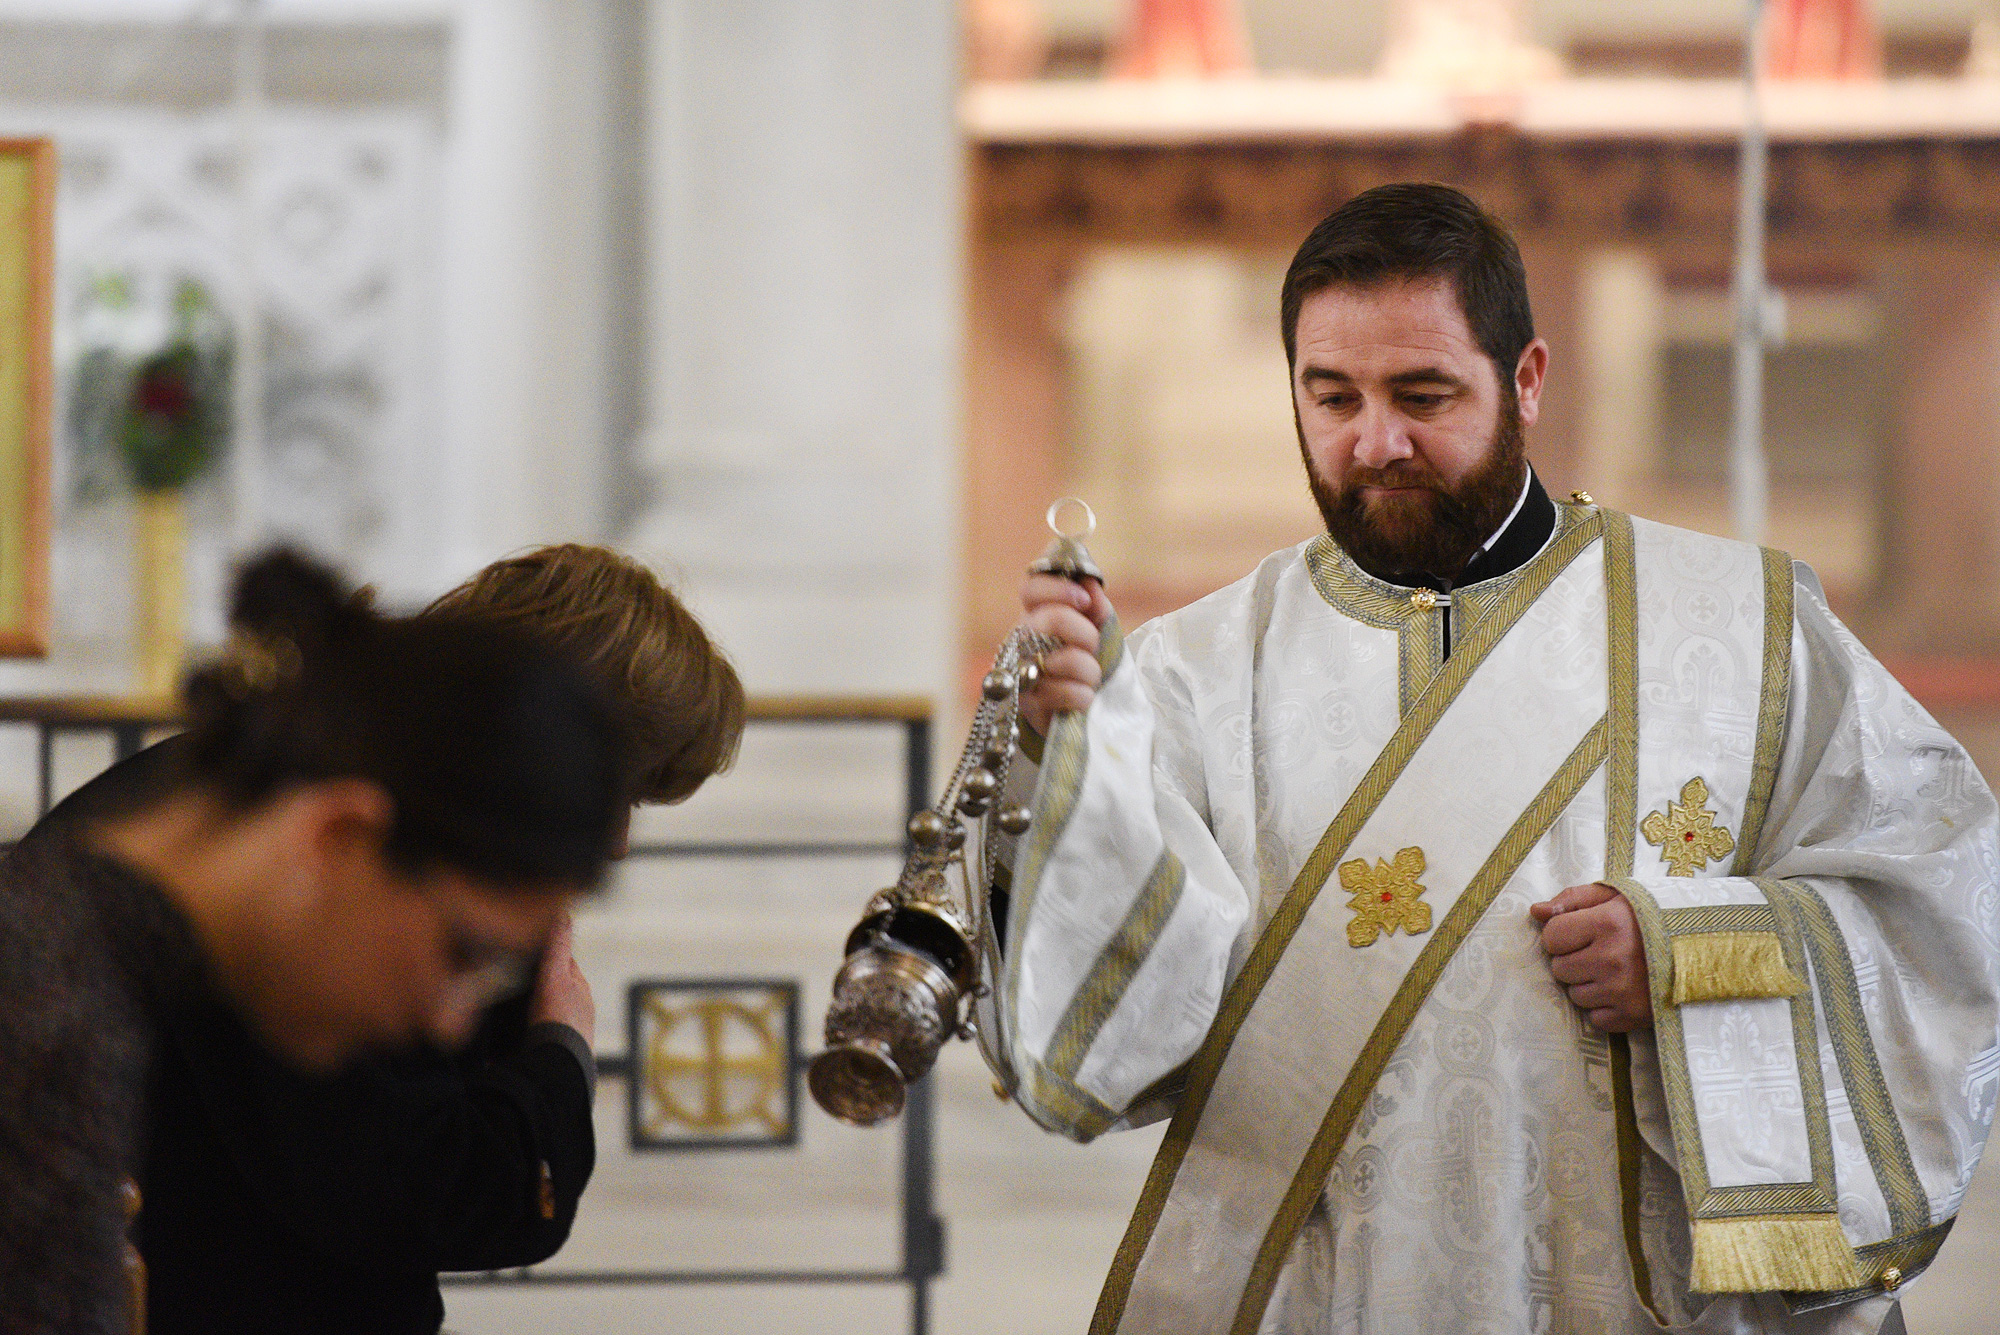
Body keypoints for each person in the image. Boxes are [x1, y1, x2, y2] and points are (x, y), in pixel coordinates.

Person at [981, 182, 1999, 1333]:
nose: (1374, 441)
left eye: (1423, 394)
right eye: (1331, 398)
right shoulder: (1190, 669)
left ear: (1524, 380)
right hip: (1331, 1289)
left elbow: (1944, 890)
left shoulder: (1738, 625)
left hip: (1631, 1286)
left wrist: (1687, 952)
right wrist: (1069, 756)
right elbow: (1123, 1010)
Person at [30, 544, 745, 1334]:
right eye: (461, 954)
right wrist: (555, 1050)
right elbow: (415, 1183)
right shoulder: (90, 962)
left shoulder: (210, 839)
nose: (446, 1016)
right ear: (339, 832)